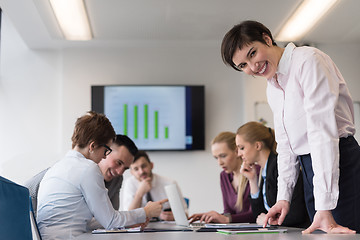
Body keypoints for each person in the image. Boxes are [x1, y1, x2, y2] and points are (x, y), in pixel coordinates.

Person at [221, 20, 360, 234]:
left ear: (267, 39)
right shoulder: (273, 87)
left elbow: (322, 133)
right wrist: (283, 198)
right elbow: (286, 146)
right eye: (243, 66)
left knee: (343, 235)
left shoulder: (308, 60)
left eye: (252, 54)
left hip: (338, 161)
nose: (253, 67)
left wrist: (324, 205)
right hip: (310, 168)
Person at [37, 111, 166, 239]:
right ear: (92, 146)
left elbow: (89, 222)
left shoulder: (56, 167)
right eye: (106, 150)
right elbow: (111, 221)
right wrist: (146, 212)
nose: (105, 155)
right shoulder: (88, 168)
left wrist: (129, 220)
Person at [24, 134, 136, 217]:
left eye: (125, 168)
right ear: (105, 151)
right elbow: (27, 190)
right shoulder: (70, 169)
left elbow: (112, 214)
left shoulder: (116, 180)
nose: (120, 172)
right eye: (119, 163)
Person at [236, 121, 310, 227]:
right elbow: (258, 215)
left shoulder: (279, 167)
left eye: (242, 148)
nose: (239, 154)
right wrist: (252, 180)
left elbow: (296, 214)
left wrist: (269, 221)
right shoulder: (265, 170)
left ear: (257, 145)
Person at [189, 132, 256, 223]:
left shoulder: (254, 172)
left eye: (223, 156)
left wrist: (226, 219)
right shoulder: (224, 176)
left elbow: (255, 213)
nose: (219, 163)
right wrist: (211, 217)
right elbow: (229, 212)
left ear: (237, 152)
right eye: (216, 158)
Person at [122, 150, 187, 221]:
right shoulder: (129, 183)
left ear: (151, 165)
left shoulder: (169, 183)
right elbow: (128, 218)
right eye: (136, 169)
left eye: (144, 166)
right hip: (141, 229)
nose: (141, 171)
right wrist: (139, 194)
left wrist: (174, 217)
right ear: (131, 172)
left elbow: (186, 214)